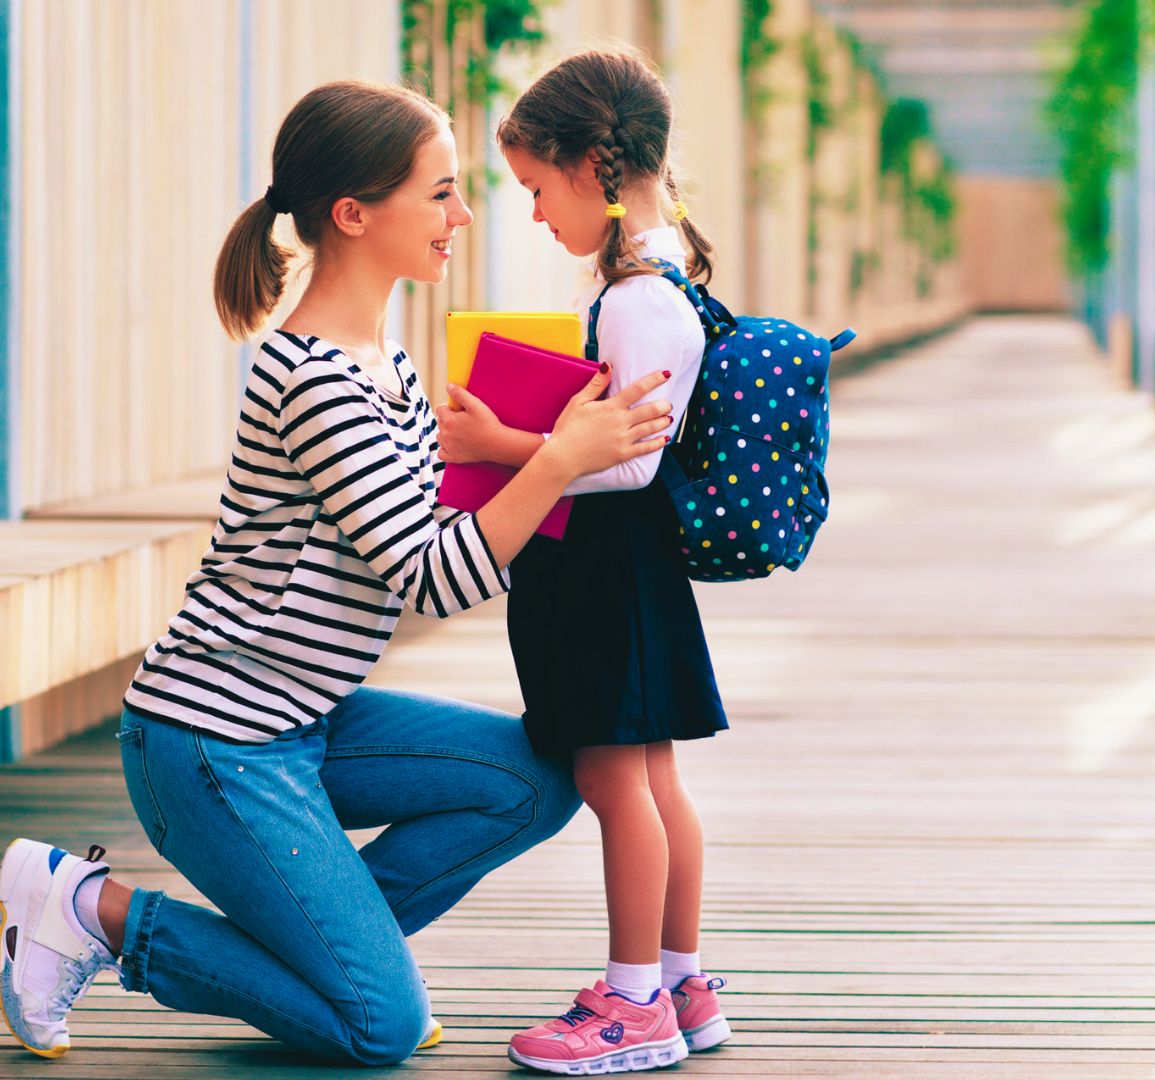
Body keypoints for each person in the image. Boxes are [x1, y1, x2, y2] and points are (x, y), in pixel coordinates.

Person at [0, 78, 676, 1067]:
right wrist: (559, 459)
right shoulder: (315, 379)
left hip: (306, 717)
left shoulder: (383, 363)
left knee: (538, 779)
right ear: (354, 214)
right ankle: (90, 910)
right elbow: (430, 577)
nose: (463, 215)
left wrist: (531, 448)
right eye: (439, 193)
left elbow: (437, 526)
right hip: (215, 741)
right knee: (377, 1028)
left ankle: (330, 961)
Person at [436, 49, 731, 1075]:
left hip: (603, 575)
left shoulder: (637, 297)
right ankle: (681, 982)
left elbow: (627, 463)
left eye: (536, 187)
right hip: (629, 573)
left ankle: (635, 1000)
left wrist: (498, 444)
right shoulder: (657, 278)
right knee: (652, 781)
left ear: (590, 166)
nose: (530, 212)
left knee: (616, 785)